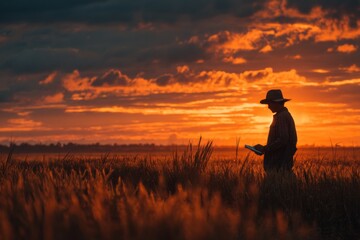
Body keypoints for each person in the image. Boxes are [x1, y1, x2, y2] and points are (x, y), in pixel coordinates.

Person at [254, 89, 297, 172]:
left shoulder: (282, 117)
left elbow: (283, 140)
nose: (268, 106)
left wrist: (264, 149)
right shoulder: (284, 116)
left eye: (269, 103)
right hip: (280, 164)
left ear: (276, 103)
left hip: (279, 165)